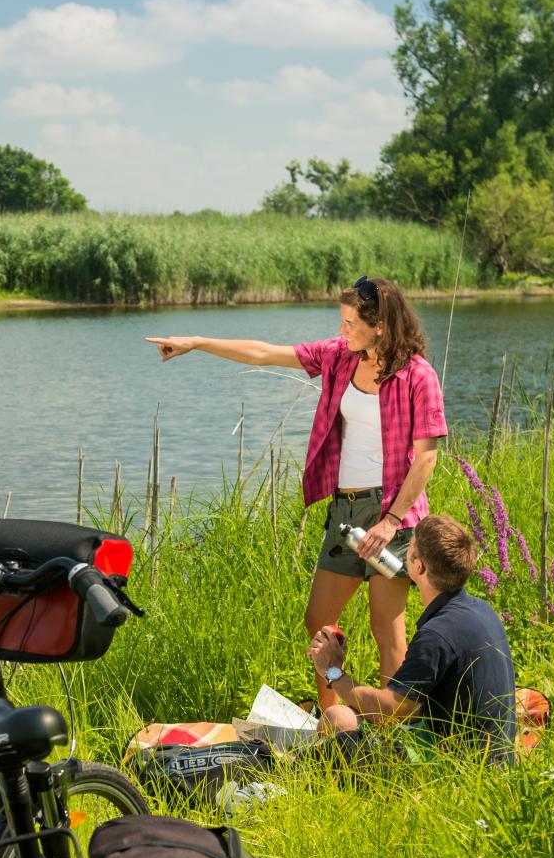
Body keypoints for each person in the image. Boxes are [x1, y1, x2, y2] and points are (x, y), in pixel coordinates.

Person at [148, 275, 445, 677]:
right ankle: (337, 718)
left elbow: (426, 458)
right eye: (342, 321)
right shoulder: (339, 356)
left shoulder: (418, 375)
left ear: (381, 326)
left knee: (386, 630)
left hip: (392, 516)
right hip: (346, 511)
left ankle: (395, 730)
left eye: (351, 323)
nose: (342, 330)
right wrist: (196, 343)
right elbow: (264, 353)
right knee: (318, 622)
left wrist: (391, 522)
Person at [309, 515, 526, 762]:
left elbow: (391, 712)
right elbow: (411, 710)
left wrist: (333, 671)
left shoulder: (437, 634)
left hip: (456, 768)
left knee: (338, 718)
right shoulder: (482, 609)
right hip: (495, 758)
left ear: (419, 567)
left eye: (408, 549)